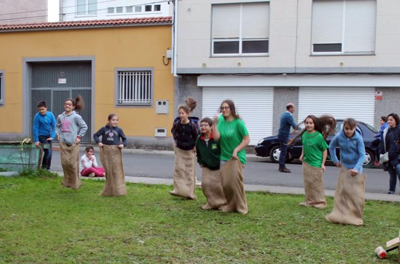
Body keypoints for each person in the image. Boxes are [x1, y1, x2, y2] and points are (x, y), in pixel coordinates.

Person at [326, 118, 366, 225]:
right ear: (343, 127)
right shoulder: (339, 136)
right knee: (344, 192)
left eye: (351, 129)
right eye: (346, 128)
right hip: (345, 167)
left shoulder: (358, 138)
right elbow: (331, 147)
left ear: (354, 128)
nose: (348, 131)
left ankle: (355, 216)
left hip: (356, 168)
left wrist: (356, 168)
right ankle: (342, 214)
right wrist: (335, 160)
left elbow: (362, 155)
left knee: (355, 193)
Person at [213, 100, 250, 215]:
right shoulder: (220, 122)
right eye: (222, 108)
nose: (224, 110)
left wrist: (236, 150)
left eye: (226, 108)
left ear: (232, 109)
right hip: (224, 157)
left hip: (236, 158)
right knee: (226, 184)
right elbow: (216, 138)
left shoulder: (238, 123)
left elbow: (247, 139)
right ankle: (230, 204)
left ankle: (241, 207)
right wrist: (214, 124)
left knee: (235, 184)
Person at [296, 115, 336, 208]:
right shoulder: (304, 134)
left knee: (316, 184)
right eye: (307, 123)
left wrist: (323, 164)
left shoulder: (318, 136)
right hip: (306, 162)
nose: (308, 125)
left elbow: (325, 149)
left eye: (311, 123)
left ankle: (320, 202)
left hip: (316, 163)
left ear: (314, 124)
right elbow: (304, 145)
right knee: (308, 183)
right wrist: (302, 155)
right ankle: (309, 201)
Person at [56, 95, 88, 190]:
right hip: (63, 143)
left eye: (69, 105)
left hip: (73, 144)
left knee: (72, 164)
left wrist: (79, 137)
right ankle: (67, 182)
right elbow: (57, 126)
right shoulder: (60, 117)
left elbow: (84, 127)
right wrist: (58, 134)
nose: (67, 106)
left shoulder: (76, 117)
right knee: (65, 163)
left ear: (73, 107)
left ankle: (75, 183)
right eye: (66, 104)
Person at [170, 97, 199, 199]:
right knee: (179, 170)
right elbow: (174, 132)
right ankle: (178, 190)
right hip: (180, 149)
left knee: (189, 172)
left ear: (188, 114)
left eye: (183, 113)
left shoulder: (192, 125)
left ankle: (190, 193)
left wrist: (196, 146)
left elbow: (197, 136)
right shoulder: (177, 124)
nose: (181, 115)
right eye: (180, 113)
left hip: (190, 150)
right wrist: (175, 142)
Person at [196, 117, 226, 210]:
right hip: (206, 166)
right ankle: (211, 203)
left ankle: (222, 203)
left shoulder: (216, 138)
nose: (203, 127)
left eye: (205, 125)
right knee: (206, 185)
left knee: (218, 186)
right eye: (201, 125)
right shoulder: (199, 139)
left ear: (211, 127)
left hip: (218, 166)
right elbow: (198, 152)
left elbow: (224, 150)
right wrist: (200, 162)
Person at [94, 113, 127, 196]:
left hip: (115, 151)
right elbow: (95, 135)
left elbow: (124, 139)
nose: (115, 122)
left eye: (117, 120)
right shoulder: (104, 129)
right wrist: (99, 142)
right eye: (113, 120)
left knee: (116, 170)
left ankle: (118, 190)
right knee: (108, 170)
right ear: (109, 120)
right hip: (106, 151)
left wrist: (123, 144)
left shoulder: (119, 130)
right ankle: (108, 189)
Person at [32, 101, 56, 170]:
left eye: (42, 109)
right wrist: (36, 140)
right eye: (39, 110)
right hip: (41, 136)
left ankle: (47, 169)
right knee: (47, 151)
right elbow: (35, 128)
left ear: (46, 108)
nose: (41, 111)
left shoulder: (50, 115)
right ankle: (43, 168)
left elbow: (54, 126)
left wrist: (52, 136)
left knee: (50, 153)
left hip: (48, 136)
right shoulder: (37, 116)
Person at [380, 113, 400, 194]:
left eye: (391, 120)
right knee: (392, 175)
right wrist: (381, 154)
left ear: (396, 120)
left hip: (398, 156)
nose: (389, 121)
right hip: (389, 156)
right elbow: (383, 143)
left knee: (399, 170)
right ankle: (391, 190)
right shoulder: (386, 131)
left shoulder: (399, 129)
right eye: (388, 120)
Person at [277, 103, 297, 173]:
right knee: (283, 152)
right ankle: (282, 167)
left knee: (283, 151)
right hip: (284, 135)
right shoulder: (288, 116)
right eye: (294, 108)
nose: (294, 109)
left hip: (282, 135)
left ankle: (281, 166)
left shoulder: (284, 114)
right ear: (290, 108)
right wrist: (303, 129)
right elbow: (294, 126)